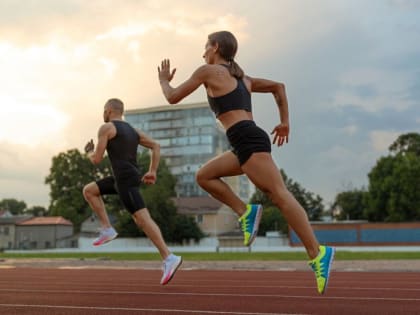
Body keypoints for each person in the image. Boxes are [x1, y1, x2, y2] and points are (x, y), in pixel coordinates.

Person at [157, 31, 335, 294]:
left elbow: (172, 97)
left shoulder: (208, 71)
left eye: (205, 47)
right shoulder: (244, 79)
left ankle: (317, 253)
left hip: (247, 139)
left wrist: (163, 81)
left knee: (280, 195)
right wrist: (284, 121)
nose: (203, 52)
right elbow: (279, 87)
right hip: (243, 142)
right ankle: (245, 211)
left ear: (216, 47)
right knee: (204, 176)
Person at [83, 98, 182, 285]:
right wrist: (152, 171)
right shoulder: (133, 131)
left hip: (125, 180)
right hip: (123, 178)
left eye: (104, 110)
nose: (102, 114)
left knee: (143, 219)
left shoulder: (106, 128)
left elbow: (96, 159)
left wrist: (89, 151)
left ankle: (169, 257)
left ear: (110, 110)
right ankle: (107, 228)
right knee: (89, 191)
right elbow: (156, 146)